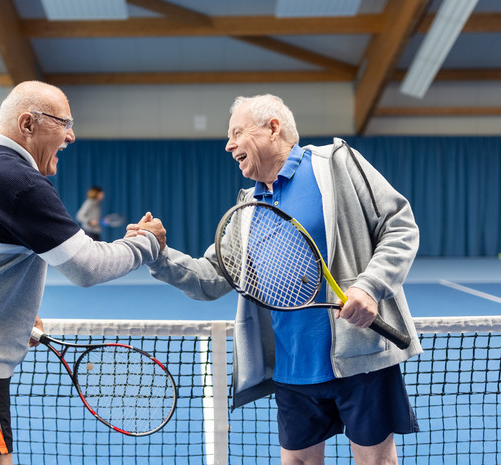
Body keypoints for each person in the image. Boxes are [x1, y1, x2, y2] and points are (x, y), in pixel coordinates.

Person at [127, 94, 421, 465]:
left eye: (236, 132)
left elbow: (400, 226)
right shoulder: (246, 209)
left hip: (360, 358)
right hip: (291, 366)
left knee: (376, 461)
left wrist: (368, 286)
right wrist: (159, 254)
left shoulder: (336, 165)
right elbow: (212, 278)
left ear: (273, 128)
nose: (228, 144)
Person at [0, 80, 166, 465]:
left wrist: (14, 318)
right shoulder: (19, 182)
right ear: (28, 124)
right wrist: (147, 243)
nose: (71, 135)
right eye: (63, 123)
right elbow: (87, 268)